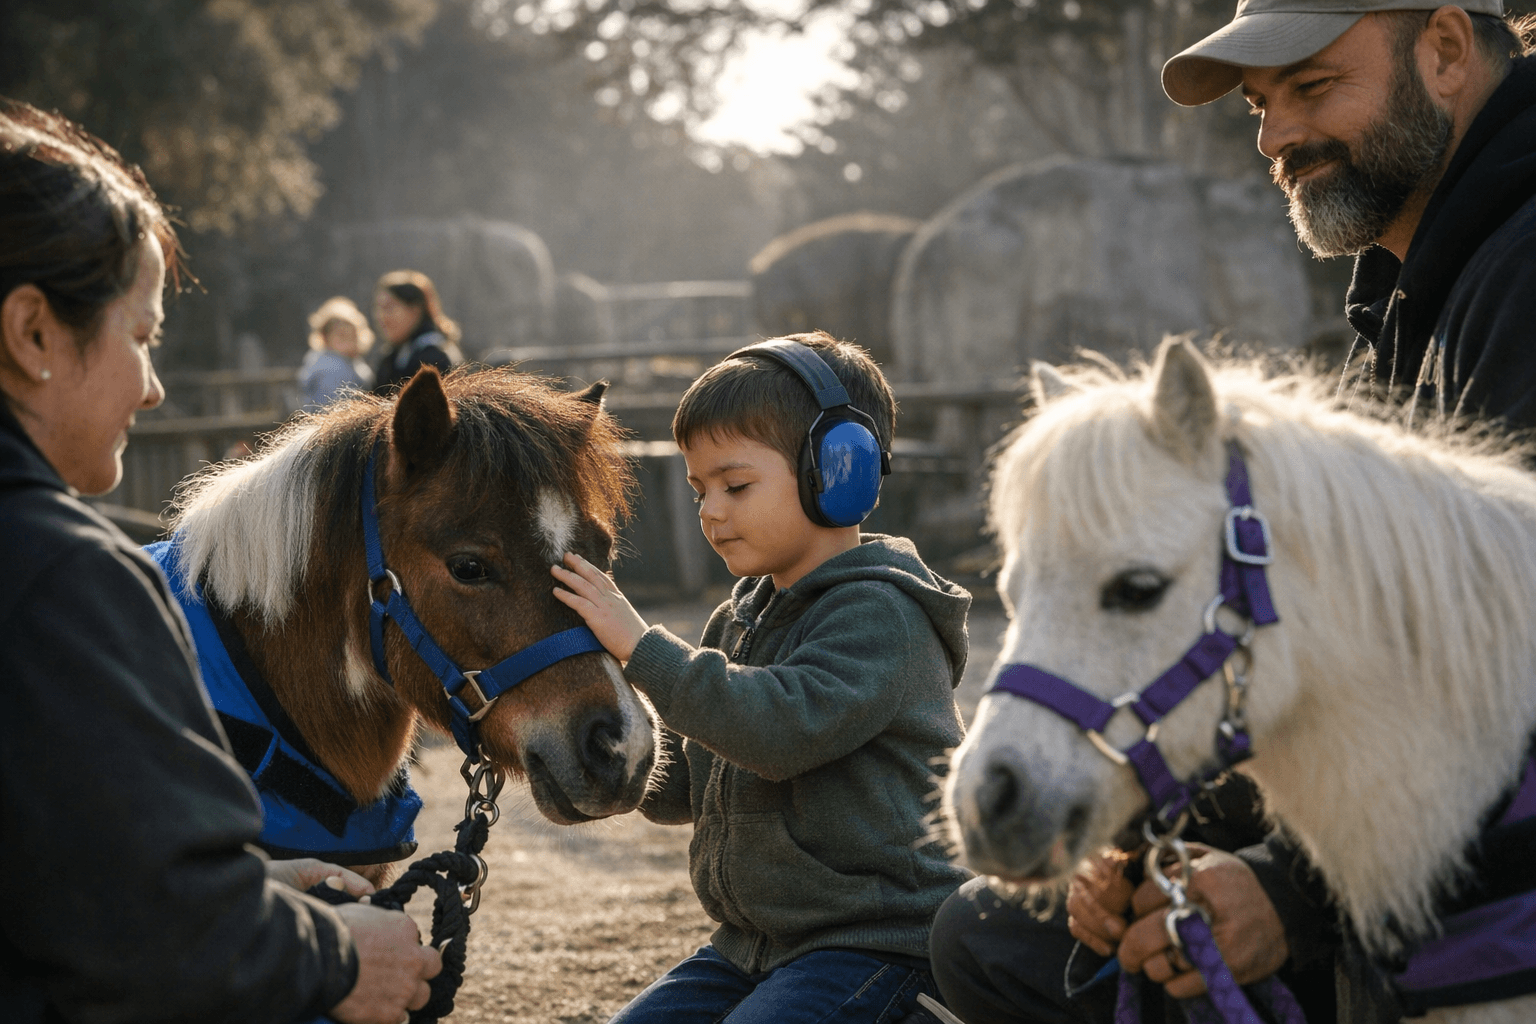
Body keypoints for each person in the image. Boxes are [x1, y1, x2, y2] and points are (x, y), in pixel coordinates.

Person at [932, 3, 1536, 1021]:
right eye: (1261, 106)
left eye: (1311, 89)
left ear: (1443, 52)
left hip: (1480, 880)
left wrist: (1287, 891)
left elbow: (1497, 661)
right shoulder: (1413, 296)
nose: (1275, 139)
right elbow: (1311, 637)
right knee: (995, 933)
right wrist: (1148, 831)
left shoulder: (1518, 271)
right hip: (1430, 860)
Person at [0, 97, 441, 1024]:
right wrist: (335, 955)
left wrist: (265, 884)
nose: (153, 385)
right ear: (34, 332)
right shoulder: (62, 579)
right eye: (143, 335)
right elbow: (161, 937)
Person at [549, 331, 972, 1024]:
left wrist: (642, 648)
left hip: (883, 947)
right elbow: (688, 782)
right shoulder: (738, 619)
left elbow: (777, 731)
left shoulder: (882, 614)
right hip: (750, 947)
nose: (711, 510)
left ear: (840, 472)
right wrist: (603, 750)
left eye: (736, 485)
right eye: (699, 489)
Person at [370, 269, 463, 393]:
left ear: (415, 310)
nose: (381, 317)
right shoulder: (394, 355)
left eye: (389, 307)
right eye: (378, 308)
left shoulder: (435, 357)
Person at [299, 295, 375, 406]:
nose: (349, 340)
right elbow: (333, 412)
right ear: (325, 337)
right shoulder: (331, 369)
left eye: (352, 333)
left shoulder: (350, 362)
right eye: (341, 335)